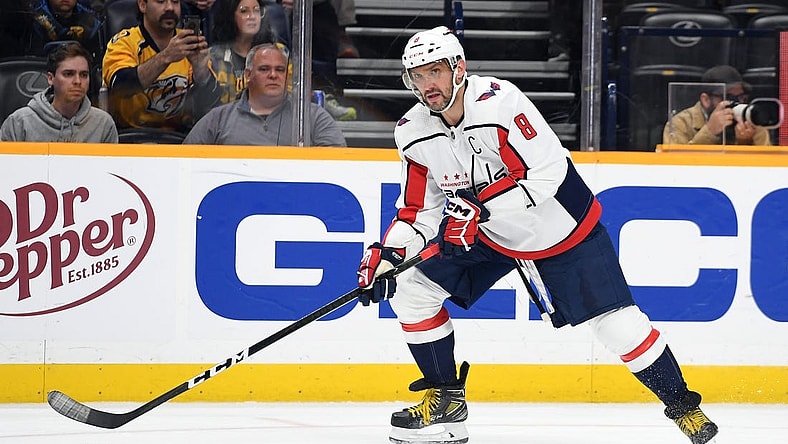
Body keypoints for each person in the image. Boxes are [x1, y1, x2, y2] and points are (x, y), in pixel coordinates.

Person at [355, 26, 718, 444]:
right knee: (411, 289)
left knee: (618, 327)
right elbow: (419, 210)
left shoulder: (501, 103)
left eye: (434, 71)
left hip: (561, 228)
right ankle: (446, 408)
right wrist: (388, 256)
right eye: (416, 76)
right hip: (490, 233)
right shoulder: (413, 131)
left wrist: (481, 206)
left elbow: (546, 174)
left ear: (459, 68)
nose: (427, 85)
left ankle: (685, 409)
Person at [183, 43, 346, 146]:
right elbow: (185, 162)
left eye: (280, 70)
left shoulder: (312, 116)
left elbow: (337, 162)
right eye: (264, 69)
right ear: (247, 75)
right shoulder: (219, 119)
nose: (273, 75)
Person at [102, 0, 222, 134]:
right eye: (161, 1)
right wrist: (165, 57)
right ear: (142, 5)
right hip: (131, 137)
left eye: (175, 2)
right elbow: (120, 86)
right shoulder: (124, 42)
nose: (170, 8)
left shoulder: (188, 42)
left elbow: (212, 103)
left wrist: (201, 73)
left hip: (181, 138)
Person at [1, 41, 117, 143]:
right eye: (68, 74)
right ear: (51, 78)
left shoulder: (104, 125)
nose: (77, 81)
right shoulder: (19, 122)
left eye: (84, 75)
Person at [662, 65, 772, 145]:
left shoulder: (752, 121)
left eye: (741, 97)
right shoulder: (681, 123)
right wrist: (709, 132)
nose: (736, 103)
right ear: (706, 100)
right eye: (728, 97)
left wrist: (745, 142)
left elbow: (767, 168)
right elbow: (676, 167)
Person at [210, 0, 278, 104]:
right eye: (244, 11)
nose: (252, 16)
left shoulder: (279, 54)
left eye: (256, 11)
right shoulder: (214, 57)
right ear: (230, 16)